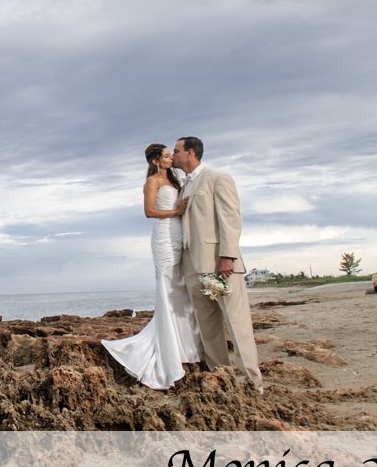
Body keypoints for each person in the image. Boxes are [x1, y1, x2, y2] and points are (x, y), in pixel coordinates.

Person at [101, 143, 204, 389]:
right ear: (156, 161)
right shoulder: (152, 182)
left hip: (179, 235)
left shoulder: (176, 179)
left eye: (171, 155)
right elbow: (149, 212)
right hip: (164, 236)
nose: (171, 159)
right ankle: (169, 353)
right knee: (168, 289)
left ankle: (184, 346)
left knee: (180, 290)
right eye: (167, 156)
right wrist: (176, 210)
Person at [172, 136, 263, 393]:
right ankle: (221, 377)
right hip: (192, 266)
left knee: (237, 323)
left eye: (177, 150)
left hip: (219, 264)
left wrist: (227, 257)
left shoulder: (217, 178)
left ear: (191, 153)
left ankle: (252, 383)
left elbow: (230, 218)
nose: (174, 155)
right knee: (208, 325)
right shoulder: (183, 186)